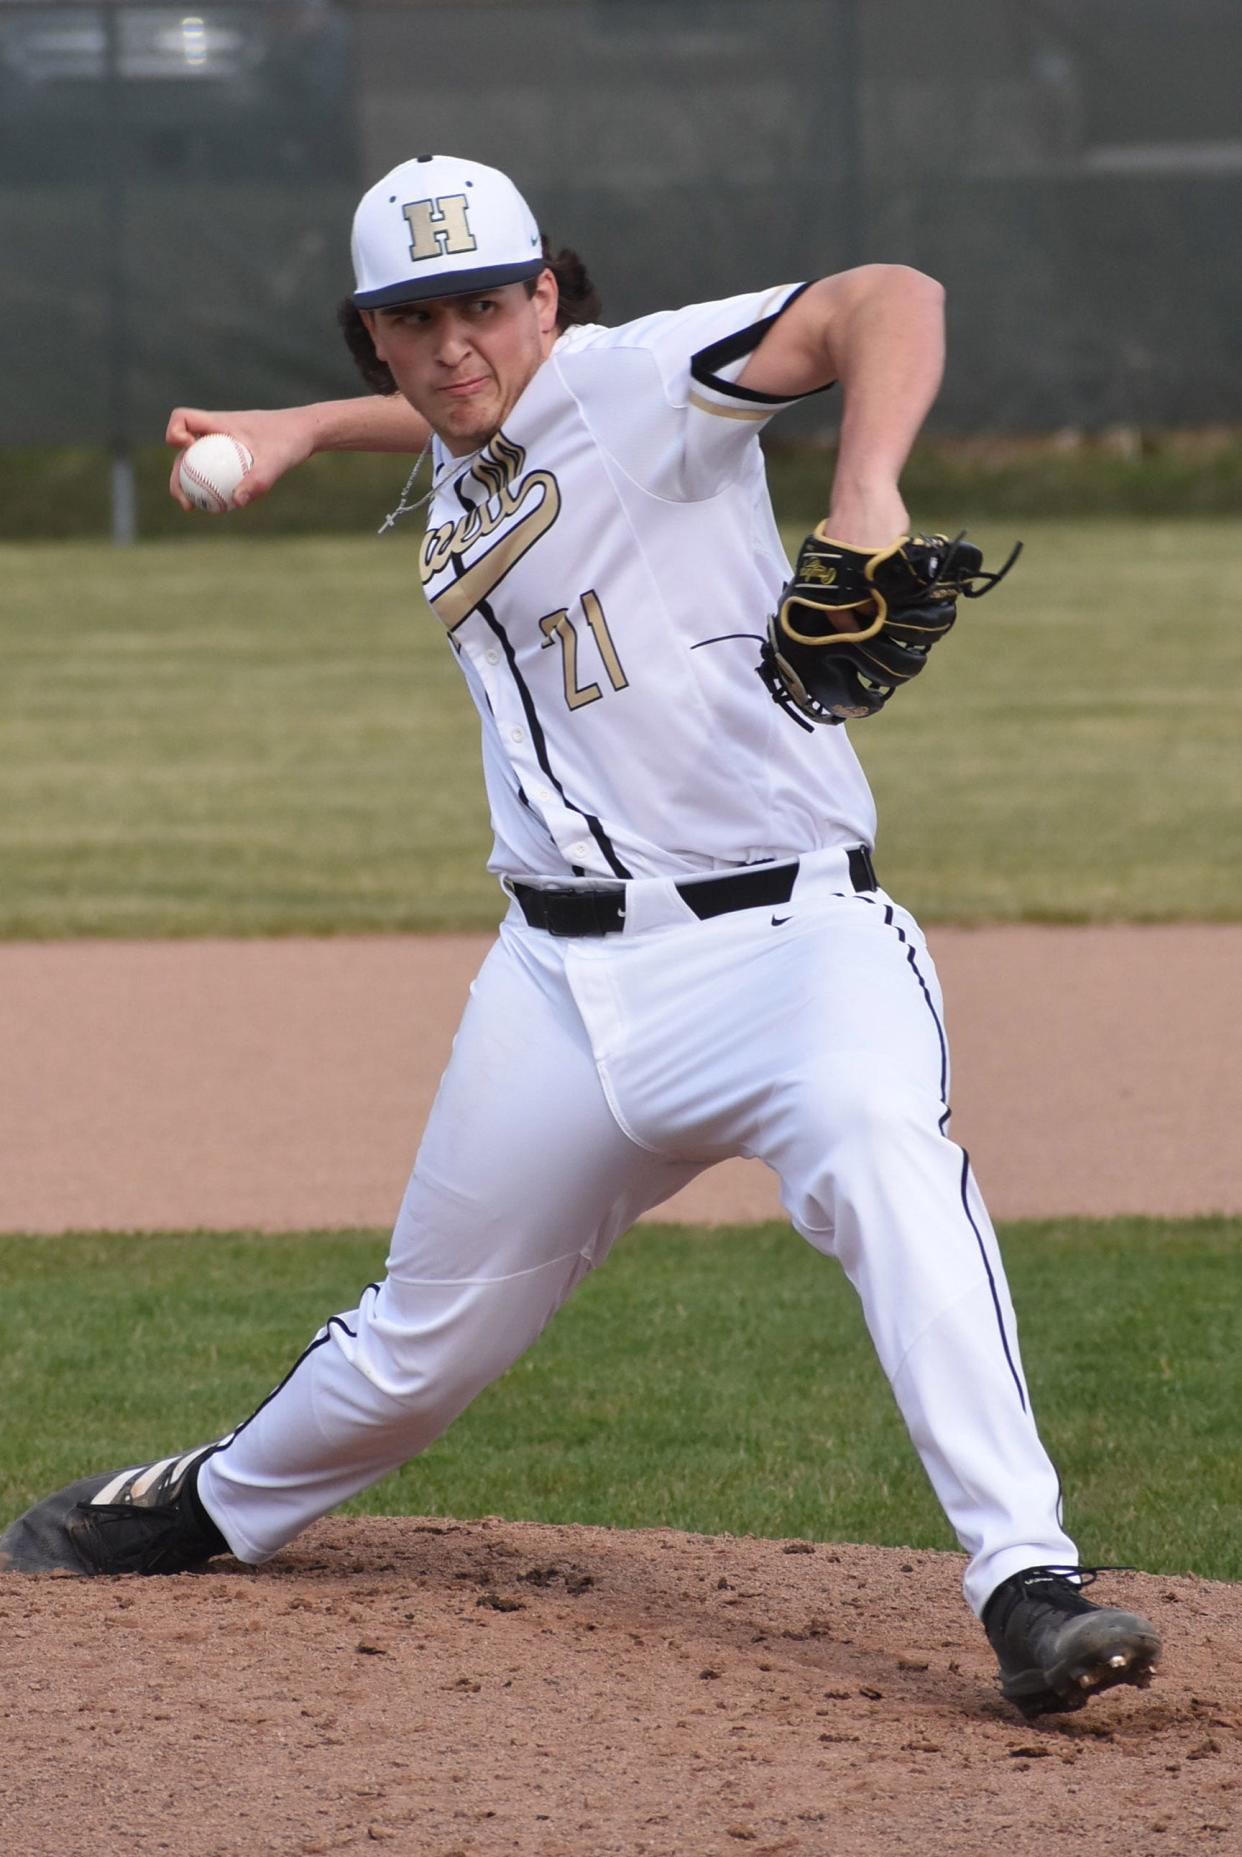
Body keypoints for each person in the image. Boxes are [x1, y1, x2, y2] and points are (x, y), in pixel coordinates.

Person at [2, 154, 1159, 1720]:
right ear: (373, 334)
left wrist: (864, 491)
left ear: (547, 295)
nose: (454, 343)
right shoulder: (470, 429)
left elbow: (886, 300)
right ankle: (220, 1500)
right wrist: (294, 428)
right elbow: (452, 410)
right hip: (554, 983)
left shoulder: (635, 382)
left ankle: (1026, 1579)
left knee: (883, 1160)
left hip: (788, 952)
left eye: (486, 301)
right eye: (413, 319)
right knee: (418, 1347)